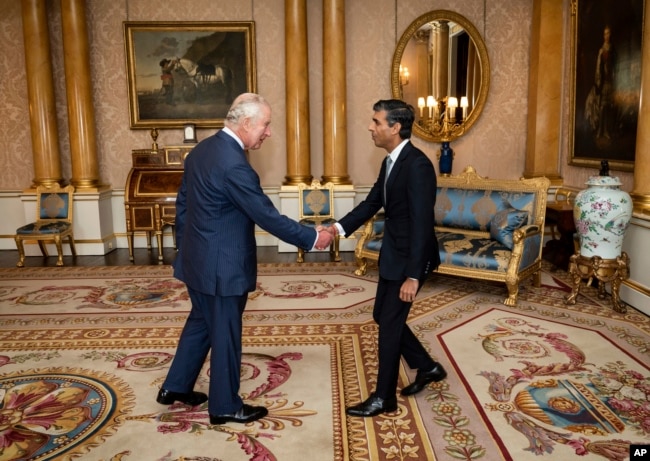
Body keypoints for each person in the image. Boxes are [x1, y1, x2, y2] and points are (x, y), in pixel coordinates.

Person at [156, 93, 333, 425]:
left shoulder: (202, 151)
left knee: (201, 323)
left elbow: (183, 206)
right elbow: (266, 215)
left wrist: (186, 250)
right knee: (224, 332)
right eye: (266, 124)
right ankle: (225, 406)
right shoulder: (234, 164)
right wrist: (312, 237)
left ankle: (176, 386)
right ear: (246, 122)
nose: (268, 132)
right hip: (221, 267)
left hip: (197, 260)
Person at [325, 99, 447, 417]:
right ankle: (427, 366)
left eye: (376, 122)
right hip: (394, 253)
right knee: (383, 315)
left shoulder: (418, 165)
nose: (370, 127)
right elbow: (371, 203)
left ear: (395, 127)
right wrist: (337, 229)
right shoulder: (391, 161)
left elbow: (422, 224)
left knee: (389, 324)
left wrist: (414, 276)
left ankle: (383, 398)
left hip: (411, 259)